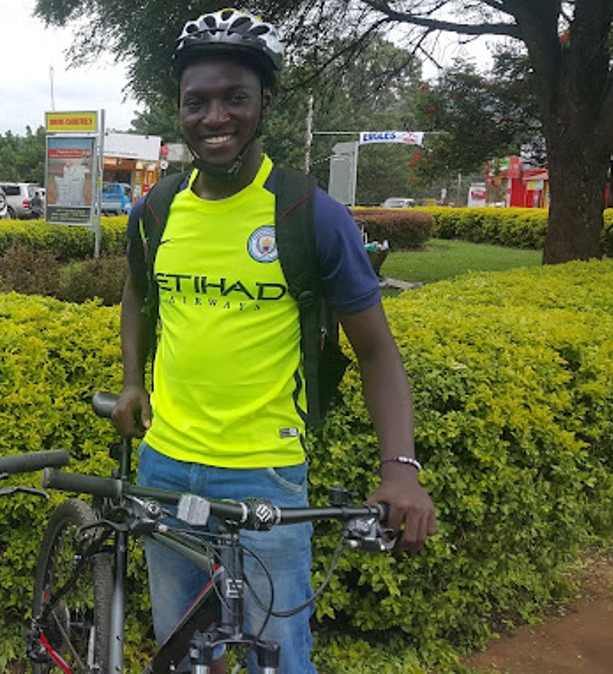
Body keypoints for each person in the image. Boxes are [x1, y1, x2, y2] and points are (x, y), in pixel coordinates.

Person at [111, 10, 436, 673]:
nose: (214, 116)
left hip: (265, 476)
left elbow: (376, 351)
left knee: (281, 659)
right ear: (179, 108)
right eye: (196, 101)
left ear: (266, 102)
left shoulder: (309, 215)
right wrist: (133, 381)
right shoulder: (156, 211)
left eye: (235, 97)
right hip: (163, 468)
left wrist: (400, 470)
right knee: (183, 654)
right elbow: (138, 294)